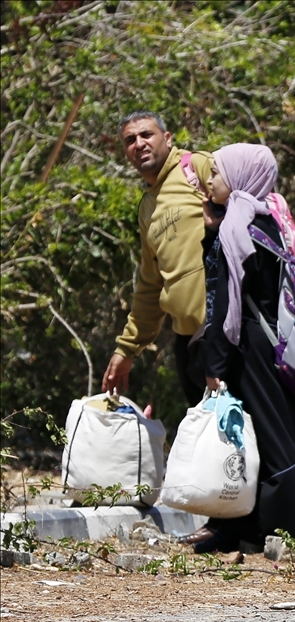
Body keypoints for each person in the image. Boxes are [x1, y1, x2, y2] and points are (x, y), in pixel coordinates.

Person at [186, 143, 295, 553]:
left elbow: (226, 302)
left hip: (248, 346)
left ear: (241, 176)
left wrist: (215, 363)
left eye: (217, 172)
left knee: (264, 436)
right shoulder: (268, 219)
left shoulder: (238, 227)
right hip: (272, 344)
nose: (210, 180)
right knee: (267, 433)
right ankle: (248, 530)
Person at [102, 111, 212, 405]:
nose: (139, 144)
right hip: (189, 343)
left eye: (146, 135)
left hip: (228, 333)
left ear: (167, 138)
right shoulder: (147, 208)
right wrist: (127, 348)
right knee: (211, 442)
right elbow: (151, 285)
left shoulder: (196, 168)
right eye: (130, 140)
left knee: (253, 435)